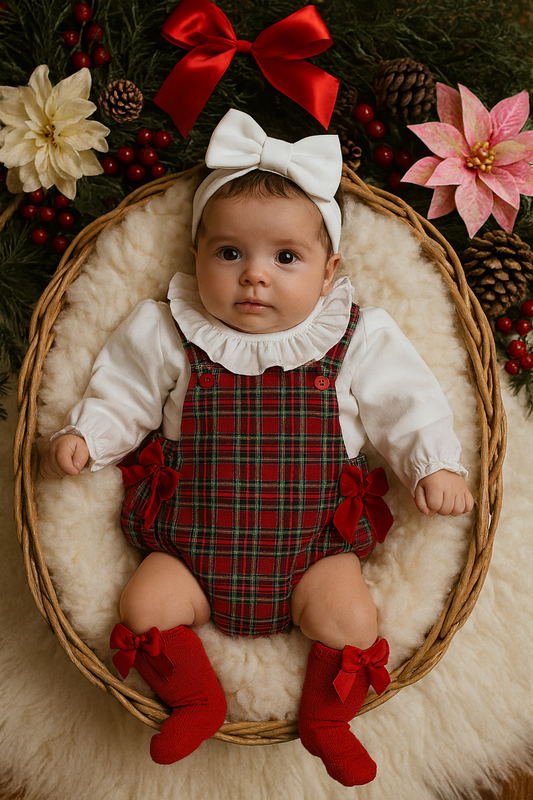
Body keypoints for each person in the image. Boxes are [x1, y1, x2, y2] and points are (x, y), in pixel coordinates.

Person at [39, 109, 474, 786]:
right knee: (143, 606)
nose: (254, 276)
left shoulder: (354, 337)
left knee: (352, 615)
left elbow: (406, 401)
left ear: (328, 273)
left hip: (313, 556)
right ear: (196, 256)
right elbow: (121, 389)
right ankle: (194, 698)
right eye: (230, 253)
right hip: (189, 553)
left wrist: (433, 465)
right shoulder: (168, 331)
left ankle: (326, 719)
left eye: (285, 257)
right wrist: (88, 437)